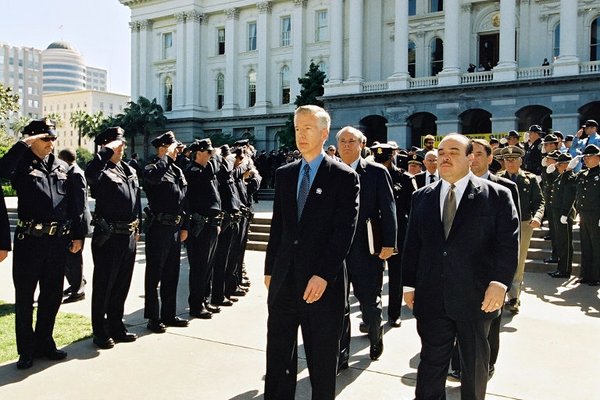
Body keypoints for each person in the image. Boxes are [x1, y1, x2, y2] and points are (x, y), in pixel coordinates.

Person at [402, 133, 519, 400]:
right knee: (431, 364)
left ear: (470, 157)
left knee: (474, 366)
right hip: (433, 296)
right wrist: (409, 285)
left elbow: (507, 245)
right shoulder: (422, 197)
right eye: (442, 151)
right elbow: (413, 246)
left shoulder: (497, 196)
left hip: (476, 297)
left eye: (454, 152)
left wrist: (500, 284)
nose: (445, 156)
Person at [264, 105, 360, 399]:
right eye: (297, 128)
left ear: (323, 133)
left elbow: (344, 232)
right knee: (278, 357)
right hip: (284, 281)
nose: (301, 135)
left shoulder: (343, 177)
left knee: (321, 359)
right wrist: (270, 270)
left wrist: (323, 274)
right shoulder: (285, 174)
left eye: (307, 128)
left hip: (320, 283)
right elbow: (278, 228)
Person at [0, 118, 86, 369]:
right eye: (45, 138)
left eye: (53, 138)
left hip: (57, 241)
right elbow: (1, 172)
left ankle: (45, 342)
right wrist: (21, 146)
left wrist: (77, 235)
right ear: (32, 140)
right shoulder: (19, 164)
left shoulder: (61, 166)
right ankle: (26, 350)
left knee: (52, 296)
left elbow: (74, 205)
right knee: (26, 297)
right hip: (30, 242)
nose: (51, 143)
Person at [448, 138, 521, 380]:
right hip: (459, 271)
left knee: (489, 326)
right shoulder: (451, 185)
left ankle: (487, 364)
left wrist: (501, 279)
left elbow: (510, 237)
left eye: (479, 154)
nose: (473, 158)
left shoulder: (505, 188)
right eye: (470, 153)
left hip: (489, 271)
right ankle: (459, 363)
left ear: (490, 158)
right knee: (459, 321)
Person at [336, 126, 396, 369]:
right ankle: (341, 353)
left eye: (352, 141)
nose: (347, 145)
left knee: (369, 302)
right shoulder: (329, 171)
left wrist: (389, 243)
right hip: (336, 250)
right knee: (338, 305)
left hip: (367, 247)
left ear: (363, 145)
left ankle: (375, 336)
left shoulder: (376, 172)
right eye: (343, 141)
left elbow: (388, 209)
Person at [85, 127, 141, 349]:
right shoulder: (100, 169)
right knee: (104, 285)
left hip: (128, 234)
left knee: (121, 284)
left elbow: (135, 202)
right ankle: (100, 331)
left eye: (122, 144)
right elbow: (91, 175)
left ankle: (117, 325)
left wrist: (138, 228)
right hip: (108, 237)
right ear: (105, 145)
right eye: (116, 144)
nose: (121, 148)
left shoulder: (128, 169)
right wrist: (105, 154)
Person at [143, 131, 189, 333]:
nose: (177, 152)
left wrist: (185, 225)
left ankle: (169, 314)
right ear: (162, 148)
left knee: (172, 273)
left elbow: (183, 200)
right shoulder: (153, 167)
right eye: (173, 148)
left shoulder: (177, 171)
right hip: (159, 227)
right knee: (155, 274)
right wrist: (165, 158)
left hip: (175, 228)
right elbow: (151, 181)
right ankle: (153, 317)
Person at [371, 143, 416, 328]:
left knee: (396, 277)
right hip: (375, 234)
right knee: (374, 276)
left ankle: (394, 313)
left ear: (392, 157)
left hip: (398, 233)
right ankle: (372, 315)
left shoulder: (404, 178)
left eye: (385, 159)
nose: (382, 163)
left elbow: (413, 207)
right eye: (378, 160)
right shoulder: (370, 176)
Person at [498, 146, 545, 314]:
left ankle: (514, 297)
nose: (510, 163)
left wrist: (538, 217)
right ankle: (499, 293)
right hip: (500, 225)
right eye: (507, 160)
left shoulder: (529, 179)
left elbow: (540, 201)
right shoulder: (497, 179)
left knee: (518, 260)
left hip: (524, 223)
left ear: (520, 161)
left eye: (514, 160)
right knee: (500, 258)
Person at [184, 138, 223, 319]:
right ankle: (196, 304)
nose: (211, 155)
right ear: (199, 152)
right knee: (199, 267)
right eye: (208, 152)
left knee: (208, 267)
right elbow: (212, 170)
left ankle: (204, 300)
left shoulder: (207, 171)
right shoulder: (193, 171)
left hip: (212, 224)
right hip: (200, 226)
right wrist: (216, 157)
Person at [57, 148, 92, 304]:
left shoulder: (75, 173)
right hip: (71, 221)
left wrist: (77, 230)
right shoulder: (73, 171)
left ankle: (78, 289)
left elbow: (78, 204)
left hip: (76, 222)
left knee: (73, 258)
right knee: (67, 258)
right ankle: (76, 284)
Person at [547, 153, 577, 279]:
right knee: (560, 241)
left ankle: (565, 270)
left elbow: (569, 197)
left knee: (565, 243)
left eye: (559, 165)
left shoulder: (569, 177)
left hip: (563, 213)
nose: (557, 167)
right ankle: (560, 268)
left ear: (565, 165)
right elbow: (550, 185)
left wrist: (565, 213)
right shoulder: (561, 177)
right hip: (556, 212)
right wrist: (548, 173)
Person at [574, 144, 600, 286]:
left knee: (597, 246)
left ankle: (596, 276)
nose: (587, 160)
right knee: (586, 246)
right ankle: (585, 274)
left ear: (598, 157)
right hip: (584, 214)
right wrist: (570, 168)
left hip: (597, 215)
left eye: (589, 157)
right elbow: (569, 183)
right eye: (585, 157)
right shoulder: (583, 174)